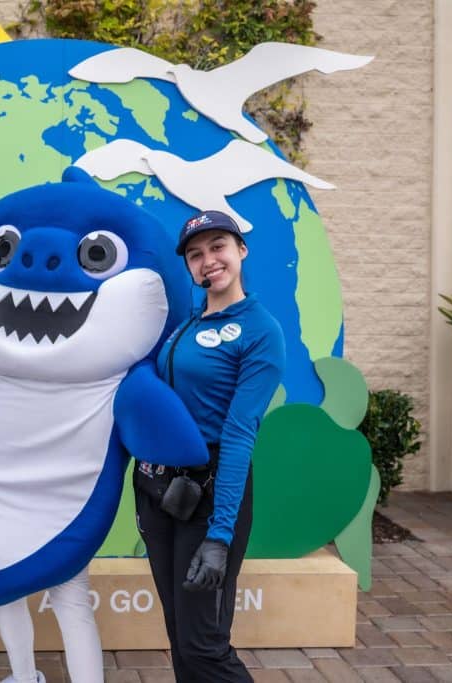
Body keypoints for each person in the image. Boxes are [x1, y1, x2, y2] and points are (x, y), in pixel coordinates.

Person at [134, 210, 285, 682]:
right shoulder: (186, 325)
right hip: (159, 492)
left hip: (211, 494)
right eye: (196, 255)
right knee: (180, 634)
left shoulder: (261, 331)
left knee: (204, 646)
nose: (208, 261)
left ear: (241, 250)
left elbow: (241, 435)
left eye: (218, 246)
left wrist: (220, 536)